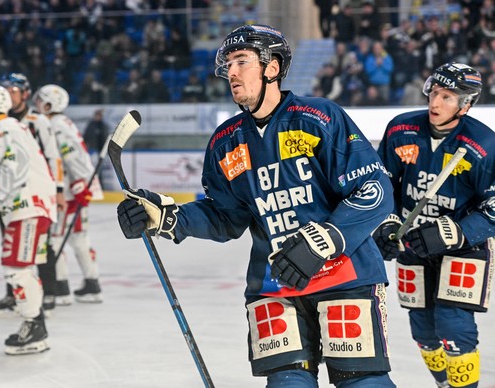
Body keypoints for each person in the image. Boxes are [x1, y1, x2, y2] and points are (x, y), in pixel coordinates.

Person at [117, 24, 396, 387]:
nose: (231, 72)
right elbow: (226, 216)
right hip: (275, 284)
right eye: (228, 64)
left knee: (363, 382)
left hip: (346, 277)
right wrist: (169, 217)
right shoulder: (225, 142)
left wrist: (323, 239)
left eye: (241, 61)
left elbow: (374, 191)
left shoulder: (320, 118)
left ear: (272, 67)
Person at [374, 62, 495, 388]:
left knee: (453, 326)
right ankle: (446, 384)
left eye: (447, 97)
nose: (435, 103)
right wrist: (385, 224)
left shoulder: (484, 144)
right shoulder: (400, 129)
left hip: (464, 248)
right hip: (413, 244)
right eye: (434, 93)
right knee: (423, 331)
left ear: (466, 104)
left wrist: (459, 232)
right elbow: (381, 187)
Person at [0, 85, 56, 355]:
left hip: (29, 208)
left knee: (16, 268)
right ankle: (35, 322)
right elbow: (0, 179)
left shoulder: (6, 129)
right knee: (19, 269)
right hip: (24, 208)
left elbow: (13, 169)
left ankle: (35, 327)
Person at [0, 72, 65, 318]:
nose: (9, 94)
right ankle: (14, 294)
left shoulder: (37, 120)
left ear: (24, 93)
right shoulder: (0, 122)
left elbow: (54, 156)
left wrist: (58, 190)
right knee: (10, 243)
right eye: (6, 90)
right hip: (9, 194)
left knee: (42, 245)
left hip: (36, 192)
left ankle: (49, 294)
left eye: (13, 90)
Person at [34, 84, 104, 304]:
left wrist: (79, 184)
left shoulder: (55, 125)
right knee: (78, 237)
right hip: (76, 188)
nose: (36, 104)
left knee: (55, 239)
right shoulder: (63, 122)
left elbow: (70, 156)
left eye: (41, 100)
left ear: (50, 104)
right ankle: (92, 283)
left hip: (67, 192)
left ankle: (61, 288)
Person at [83, 109, 110, 189]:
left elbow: (106, 139)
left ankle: (100, 185)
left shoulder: (103, 126)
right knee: (91, 169)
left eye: (99, 115)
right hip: (92, 150)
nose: (97, 117)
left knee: (99, 170)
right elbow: (86, 137)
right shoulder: (91, 125)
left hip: (100, 151)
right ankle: (91, 184)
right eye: (96, 115)